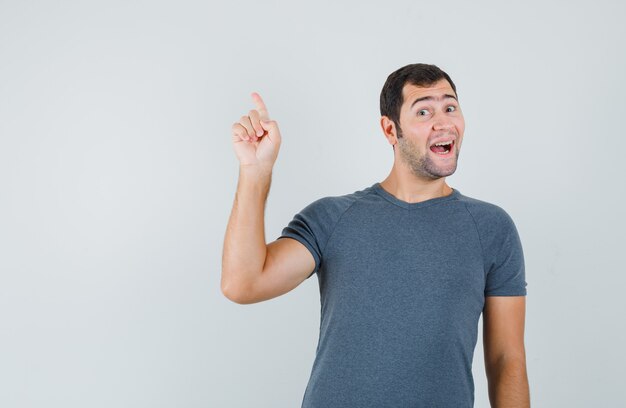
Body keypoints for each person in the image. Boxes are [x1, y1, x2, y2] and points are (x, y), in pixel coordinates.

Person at [222, 63, 530, 408]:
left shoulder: (491, 228)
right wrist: (255, 171)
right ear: (390, 129)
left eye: (450, 107)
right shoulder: (333, 218)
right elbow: (243, 284)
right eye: (424, 110)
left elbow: (507, 360)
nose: (443, 122)